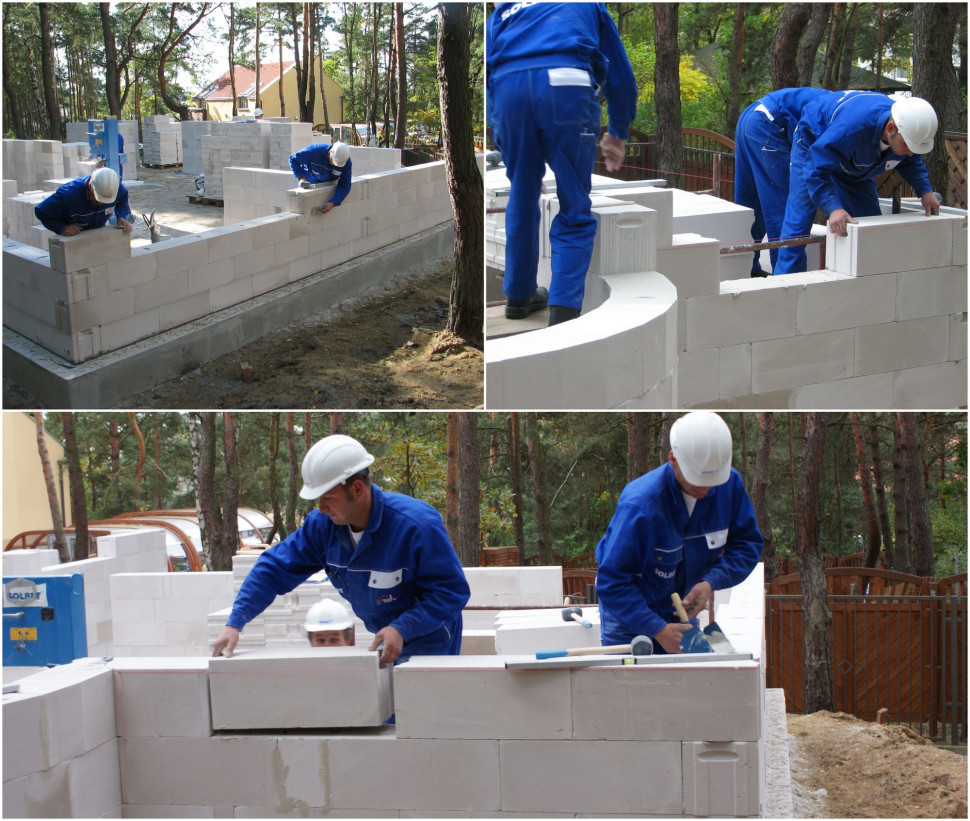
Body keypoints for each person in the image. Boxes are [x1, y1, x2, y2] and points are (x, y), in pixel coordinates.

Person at [212, 434, 470, 665]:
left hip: (432, 639)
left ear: (357, 489)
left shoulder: (417, 526)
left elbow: (451, 593)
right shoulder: (323, 527)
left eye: (328, 498)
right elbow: (273, 569)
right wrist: (235, 623)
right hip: (385, 635)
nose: (321, 508)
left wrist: (402, 628)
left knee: (424, 712)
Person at [487, 2, 638, 326]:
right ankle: (564, 310)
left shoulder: (504, 10)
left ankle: (519, 295)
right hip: (565, 83)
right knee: (573, 203)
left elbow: (489, 81)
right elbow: (620, 74)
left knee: (522, 193)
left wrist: (515, 160)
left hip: (507, 91)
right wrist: (617, 132)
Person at [594, 412, 763, 654]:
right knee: (634, 687)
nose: (704, 489)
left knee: (706, 674)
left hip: (680, 610)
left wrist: (709, 583)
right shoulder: (641, 505)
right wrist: (657, 629)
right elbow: (612, 581)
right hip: (629, 616)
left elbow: (747, 546)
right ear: (673, 459)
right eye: (696, 480)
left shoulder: (730, 486)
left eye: (712, 481)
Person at [774, 92, 940, 275]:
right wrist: (833, 208)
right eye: (908, 146)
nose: (910, 152)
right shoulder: (851, 130)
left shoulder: (906, 132)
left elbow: (911, 161)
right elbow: (815, 170)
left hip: (853, 156)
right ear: (890, 128)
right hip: (814, 142)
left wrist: (925, 191)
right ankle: (785, 285)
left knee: (869, 224)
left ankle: (869, 282)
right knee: (800, 219)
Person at [733, 87, 833, 276]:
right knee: (783, 206)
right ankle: (786, 281)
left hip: (752, 115)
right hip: (768, 122)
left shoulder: (845, 105)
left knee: (750, 203)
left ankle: (744, 270)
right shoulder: (853, 120)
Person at [34, 167, 133, 236]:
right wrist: (62, 228)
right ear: (91, 187)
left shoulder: (113, 187)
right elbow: (42, 212)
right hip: (75, 237)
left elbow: (123, 199)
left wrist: (121, 217)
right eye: (98, 199)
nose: (101, 204)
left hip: (97, 233)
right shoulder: (68, 195)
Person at [288, 141, 352, 215]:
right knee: (302, 211)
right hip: (309, 183)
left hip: (326, 187)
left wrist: (333, 202)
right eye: (334, 161)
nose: (336, 165)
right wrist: (301, 178)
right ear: (331, 151)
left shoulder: (346, 162)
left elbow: (345, 184)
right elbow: (293, 159)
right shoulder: (314, 151)